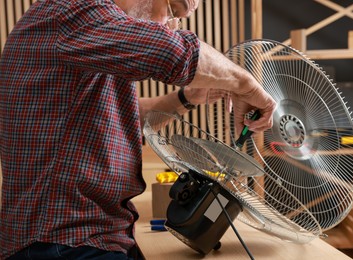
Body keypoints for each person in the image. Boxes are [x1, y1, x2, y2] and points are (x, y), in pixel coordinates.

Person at [0, 0, 276, 259]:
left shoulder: (93, 32)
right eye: (172, 10)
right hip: (61, 238)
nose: (169, 25)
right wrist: (248, 86)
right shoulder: (75, 9)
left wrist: (186, 98)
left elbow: (122, 118)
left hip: (89, 234)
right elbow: (169, 50)